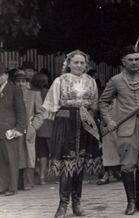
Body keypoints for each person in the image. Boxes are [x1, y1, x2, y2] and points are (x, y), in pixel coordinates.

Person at [31, 50, 101, 218]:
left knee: (79, 165)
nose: (79, 65)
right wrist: (35, 124)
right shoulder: (59, 81)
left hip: (85, 125)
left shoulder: (91, 82)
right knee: (67, 165)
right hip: (65, 124)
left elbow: (95, 107)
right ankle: (63, 205)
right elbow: (49, 105)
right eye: (75, 62)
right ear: (69, 64)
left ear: (86, 65)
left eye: (82, 63)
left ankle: (77, 203)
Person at [99, 44, 139, 215]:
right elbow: (103, 103)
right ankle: (131, 203)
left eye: (137, 59)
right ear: (123, 62)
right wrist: (109, 120)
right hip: (126, 129)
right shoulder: (116, 81)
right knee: (127, 166)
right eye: (130, 60)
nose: (134, 63)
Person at [0, 63, 27, 196]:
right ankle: (2, 186)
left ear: (6, 75)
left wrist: (19, 129)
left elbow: (21, 111)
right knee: (1, 160)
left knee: (12, 159)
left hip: (10, 130)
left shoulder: (14, 89)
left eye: (0, 74)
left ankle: (12, 187)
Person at [14, 70, 42, 191]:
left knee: (29, 155)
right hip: (13, 129)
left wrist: (33, 126)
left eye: (23, 81)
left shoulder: (34, 94)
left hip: (28, 130)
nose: (21, 84)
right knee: (15, 155)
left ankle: (28, 182)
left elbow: (41, 113)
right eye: (18, 81)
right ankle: (16, 183)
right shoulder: (10, 94)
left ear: (27, 82)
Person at [30, 72, 53, 185]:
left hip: (34, 125)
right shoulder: (49, 92)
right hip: (48, 125)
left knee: (37, 152)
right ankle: (43, 177)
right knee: (46, 153)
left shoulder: (31, 93)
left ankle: (35, 172)